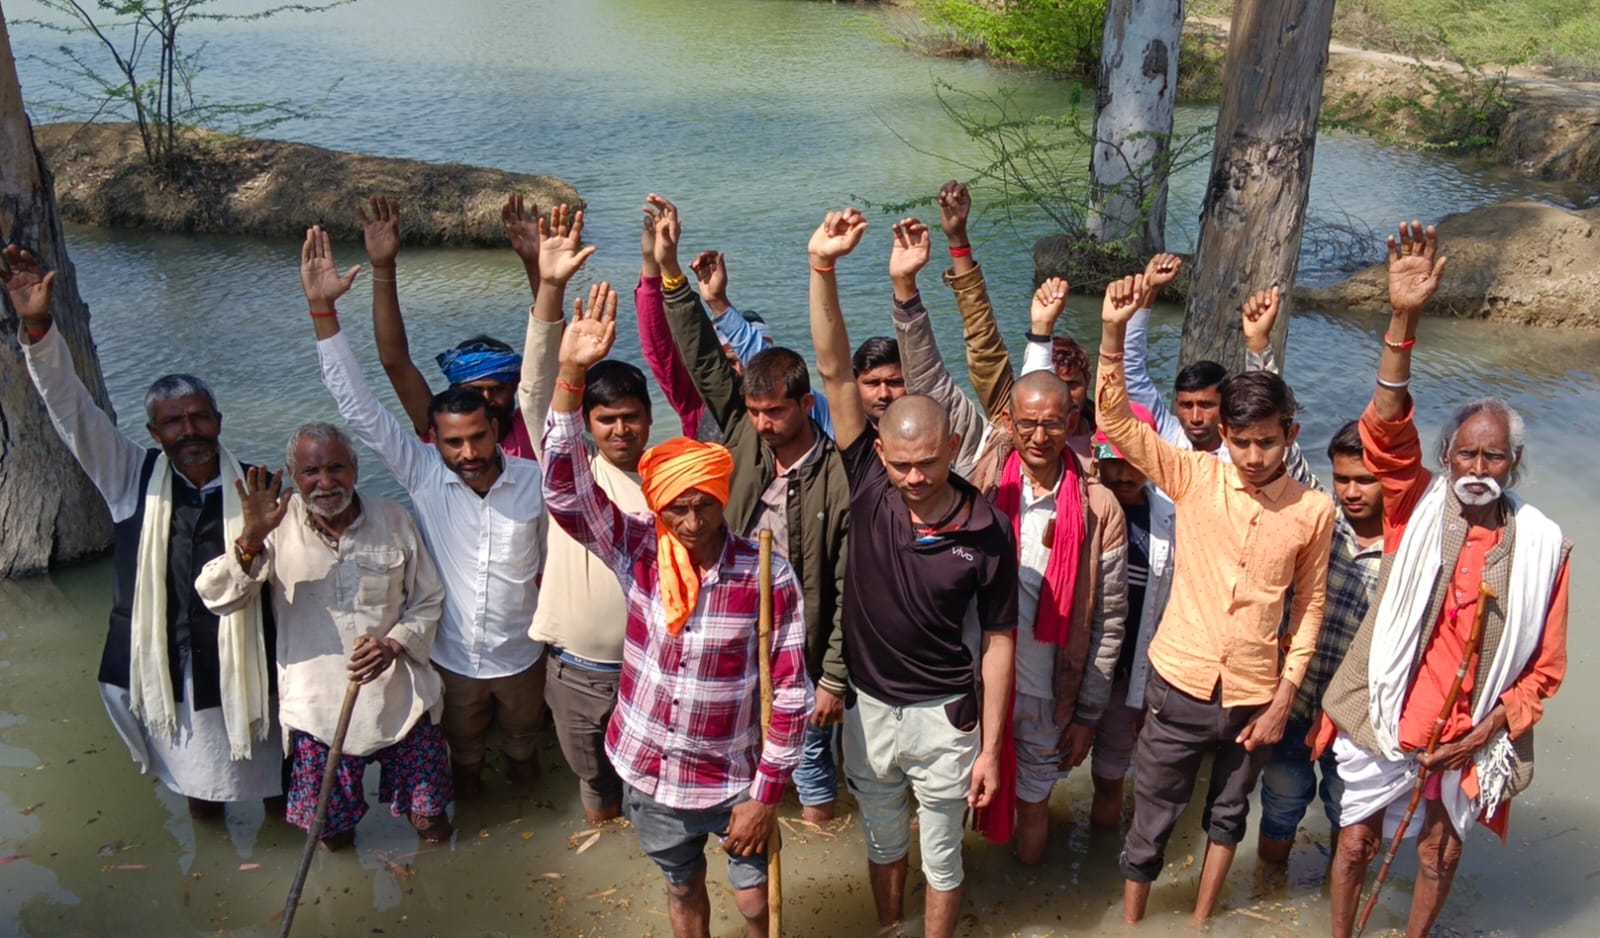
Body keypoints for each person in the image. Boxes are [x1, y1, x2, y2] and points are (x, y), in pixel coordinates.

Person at [1320, 223, 1571, 938]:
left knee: (1438, 851)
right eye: (1467, 456)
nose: (1479, 471)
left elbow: (1545, 673)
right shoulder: (1415, 507)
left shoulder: (1544, 547)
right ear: (1448, 458)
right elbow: (1385, 431)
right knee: (1357, 842)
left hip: (1468, 732)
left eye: (1494, 460)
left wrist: (1485, 730)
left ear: (1513, 467)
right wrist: (1404, 318)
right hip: (1385, 718)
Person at [542, 281, 813, 938]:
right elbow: (564, 490)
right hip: (649, 771)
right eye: (676, 508)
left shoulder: (765, 569)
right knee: (683, 888)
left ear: (725, 501)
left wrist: (764, 797)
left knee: (755, 906)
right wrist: (570, 376)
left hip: (732, 781)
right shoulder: (636, 547)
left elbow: (791, 700)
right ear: (656, 509)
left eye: (705, 505)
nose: (691, 521)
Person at [6, 244, 282, 817]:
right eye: (174, 422)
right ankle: (213, 877)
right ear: (155, 432)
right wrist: (38, 327)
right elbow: (71, 410)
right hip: (166, 667)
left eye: (200, 417)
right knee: (199, 792)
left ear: (219, 422)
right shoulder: (130, 476)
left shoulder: (257, 486)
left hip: (248, 666)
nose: (190, 430)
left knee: (277, 784)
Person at [1097, 272, 1336, 924]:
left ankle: (1202, 922)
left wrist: (1285, 697)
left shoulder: (1313, 510)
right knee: (1150, 818)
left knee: (1229, 816)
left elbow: (1310, 607)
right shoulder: (1194, 475)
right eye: (1241, 441)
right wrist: (1113, 334)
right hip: (1177, 683)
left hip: (1255, 698)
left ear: (1290, 432)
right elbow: (1115, 418)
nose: (1254, 455)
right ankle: (1132, 924)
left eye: (1267, 441)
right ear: (1223, 435)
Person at [808, 207, 1018, 938]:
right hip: (868, 709)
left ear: (953, 444)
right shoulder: (867, 473)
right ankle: (889, 927)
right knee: (881, 840)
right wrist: (822, 268)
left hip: (945, 719)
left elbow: (997, 643)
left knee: (944, 858)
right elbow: (834, 368)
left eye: (928, 461)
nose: (914, 477)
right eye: (901, 464)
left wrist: (990, 748)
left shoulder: (988, 530)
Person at [300, 225, 549, 798]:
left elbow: (546, 375)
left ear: (496, 430)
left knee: (524, 752)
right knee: (462, 761)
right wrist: (323, 313)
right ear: (433, 439)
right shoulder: (424, 473)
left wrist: (545, 277)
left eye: (478, 438)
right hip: (452, 660)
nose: (468, 454)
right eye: (453, 442)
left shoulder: (536, 478)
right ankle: (473, 839)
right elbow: (358, 404)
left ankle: (535, 820)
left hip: (524, 656)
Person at [654, 195, 852, 824]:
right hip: (735, 640)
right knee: (744, 775)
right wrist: (671, 275)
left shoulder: (838, 474)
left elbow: (849, 583)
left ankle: (824, 843)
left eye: (776, 412)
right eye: (756, 411)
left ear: (803, 404)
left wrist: (834, 678)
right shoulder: (739, 431)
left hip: (804, 650)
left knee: (813, 775)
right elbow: (701, 356)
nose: (764, 424)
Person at [195, 423, 452, 849]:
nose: (326, 482)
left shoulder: (394, 518)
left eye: (337, 468)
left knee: (431, 822)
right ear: (294, 477)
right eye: (312, 472)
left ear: (355, 468)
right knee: (331, 835)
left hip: (401, 702)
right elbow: (216, 596)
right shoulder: (271, 527)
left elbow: (429, 600)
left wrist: (394, 643)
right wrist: (251, 537)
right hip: (316, 711)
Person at [517, 207, 653, 824]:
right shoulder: (570, 474)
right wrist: (549, 289)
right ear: (588, 426)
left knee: (650, 792)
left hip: (651, 671)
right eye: (606, 419)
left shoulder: (669, 484)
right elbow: (538, 390)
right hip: (576, 672)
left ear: (649, 419)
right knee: (595, 787)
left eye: (631, 416)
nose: (621, 428)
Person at [970, 370, 1128, 865]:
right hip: (976, 686)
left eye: (1053, 425)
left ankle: (1027, 894)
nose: (1039, 437)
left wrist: (1086, 715)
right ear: (1008, 422)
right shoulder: (985, 486)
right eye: (1028, 423)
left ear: (1073, 422)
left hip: (1048, 693)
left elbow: (1108, 621)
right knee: (961, 796)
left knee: (1033, 805)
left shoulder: (1100, 509)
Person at [1257, 421, 1385, 866]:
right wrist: (1259, 352)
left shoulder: (1407, 548)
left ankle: (1336, 908)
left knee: (1348, 817)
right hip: (1295, 701)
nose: (1352, 491)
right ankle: (1267, 889)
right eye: (1343, 478)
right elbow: (1286, 453)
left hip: (1355, 718)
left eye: (1366, 480)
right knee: (1279, 807)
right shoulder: (1322, 516)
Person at [357, 195, 539, 459]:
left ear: (515, 388)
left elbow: (554, 352)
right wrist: (383, 266)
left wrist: (534, 264)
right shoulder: (440, 432)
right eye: (475, 391)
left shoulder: (530, 431)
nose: (487, 399)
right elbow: (394, 361)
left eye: (497, 388)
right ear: (454, 392)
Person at [1084, 403, 1177, 831]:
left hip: (1128, 677)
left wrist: (1153, 692)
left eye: (1133, 462)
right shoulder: (1082, 508)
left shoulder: (1170, 520)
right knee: (1040, 773)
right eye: (1112, 462)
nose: (1122, 474)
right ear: (1095, 456)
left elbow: (1171, 610)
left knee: (1110, 776)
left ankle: (1099, 859)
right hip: (1074, 667)